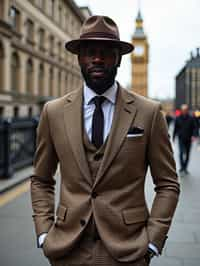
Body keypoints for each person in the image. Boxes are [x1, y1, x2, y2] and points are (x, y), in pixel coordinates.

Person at [31, 15, 180, 266]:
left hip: (129, 251)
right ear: (79, 57)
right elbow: (41, 179)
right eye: (89, 51)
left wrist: (153, 241)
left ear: (119, 58)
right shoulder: (53, 112)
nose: (97, 58)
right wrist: (44, 232)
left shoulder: (149, 112)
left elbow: (167, 184)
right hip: (66, 248)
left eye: (106, 52)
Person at [173, 104, 196, 174]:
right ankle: (182, 167)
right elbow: (175, 128)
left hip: (189, 138)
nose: (184, 111)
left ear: (187, 110)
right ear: (181, 110)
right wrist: (174, 137)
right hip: (181, 138)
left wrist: (194, 135)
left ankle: (185, 167)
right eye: (183, 110)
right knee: (181, 153)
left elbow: (195, 128)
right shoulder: (178, 118)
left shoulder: (191, 118)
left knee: (187, 154)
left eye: (185, 110)